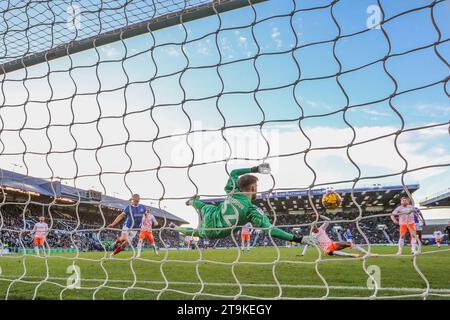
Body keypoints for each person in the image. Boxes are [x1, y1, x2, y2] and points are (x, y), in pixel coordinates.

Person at [176, 164, 307, 245]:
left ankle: (191, 201)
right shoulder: (252, 210)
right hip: (215, 231)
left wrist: (255, 169)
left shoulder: (233, 190)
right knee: (195, 232)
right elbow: (270, 229)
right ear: (253, 188)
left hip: (213, 213)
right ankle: (176, 228)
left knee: (203, 206)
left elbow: (234, 172)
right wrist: (297, 239)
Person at [302, 215, 368, 258]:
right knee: (330, 252)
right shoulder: (312, 235)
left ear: (316, 226)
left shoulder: (321, 228)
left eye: (315, 227)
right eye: (313, 228)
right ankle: (352, 255)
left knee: (348, 244)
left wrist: (319, 216)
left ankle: (366, 253)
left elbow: (328, 220)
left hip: (332, 244)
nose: (315, 229)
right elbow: (307, 245)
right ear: (311, 229)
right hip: (326, 249)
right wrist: (303, 253)